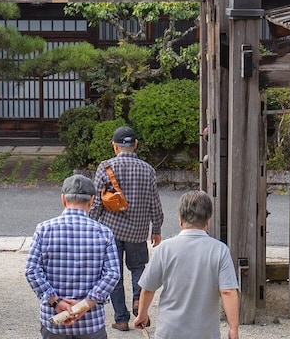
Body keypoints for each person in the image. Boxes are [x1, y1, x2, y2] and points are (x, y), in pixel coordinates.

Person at [131, 191, 240, 339]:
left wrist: (142, 314)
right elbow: (228, 292)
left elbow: (148, 288)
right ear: (207, 222)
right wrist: (233, 328)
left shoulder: (165, 248)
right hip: (206, 333)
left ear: (180, 221)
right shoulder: (220, 250)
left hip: (169, 331)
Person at [26, 174, 124, 339]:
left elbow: (31, 270)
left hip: (54, 321)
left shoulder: (44, 229)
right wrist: (86, 304)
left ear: (63, 199)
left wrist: (56, 301)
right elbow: (113, 273)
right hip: (90, 322)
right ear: (92, 201)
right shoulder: (103, 232)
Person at [88, 125, 163, 331]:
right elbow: (154, 203)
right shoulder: (148, 169)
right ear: (135, 145)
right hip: (138, 231)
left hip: (110, 230)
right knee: (138, 268)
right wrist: (156, 229)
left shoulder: (105, 167)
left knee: (114, 273)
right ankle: (140, 308)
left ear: (115, 146)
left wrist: (91, 227)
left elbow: (96, 203)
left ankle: (121, 319)